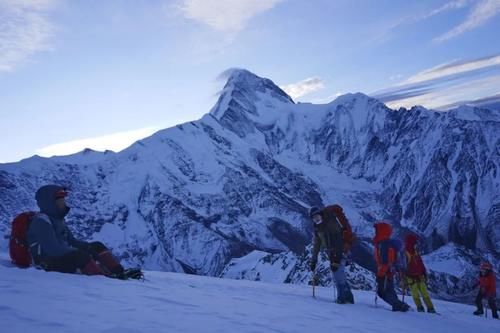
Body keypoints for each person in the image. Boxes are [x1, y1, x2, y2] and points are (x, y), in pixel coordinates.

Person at [27, 184, 142, 279]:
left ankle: (118, 272)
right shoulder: (42, 221)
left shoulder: (57, 219)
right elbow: (53, 249)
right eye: (60, 200)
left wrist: (89, 248)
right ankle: (103, 278)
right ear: (49, 202)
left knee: (96, 246)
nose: (63, 203)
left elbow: (72, 241)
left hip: (58, 257)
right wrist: (80, 251)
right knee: (80, 255)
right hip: (47, 263)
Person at [309, 205, 354, 304]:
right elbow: (317, 245)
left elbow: (338, 241)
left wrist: (336, 260)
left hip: (340, 252)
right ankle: (349, 298)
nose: (316, 219)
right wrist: (313, 260)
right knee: (339, 275)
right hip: (332, 254)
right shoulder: (318, 229)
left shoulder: (330, 223)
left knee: (337, 275)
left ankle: (341, 299)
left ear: (321, 215)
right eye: (314, 218)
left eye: (317, 216)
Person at [373, 221, 410, 312]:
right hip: (390, 271)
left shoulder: (383, 244)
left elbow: (385, 261)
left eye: (377, 230)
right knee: (389, 290)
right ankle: (398, 306)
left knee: (382, 292)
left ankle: (399, 306)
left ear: (381, 231)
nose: (375, 232)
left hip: (385, 272)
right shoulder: (388, 243)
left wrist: (380, 274)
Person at [404, 234, 436, 313]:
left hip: (415, 277)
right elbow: (405, 266)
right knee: (418, 294)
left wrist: (424, 272)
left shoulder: (414, 252)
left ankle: (425, 308)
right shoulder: (407, 253)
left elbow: (420, 263)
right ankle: (426, 308)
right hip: (413, 277)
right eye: (415, 243)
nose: (416, 244)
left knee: (419, 294)